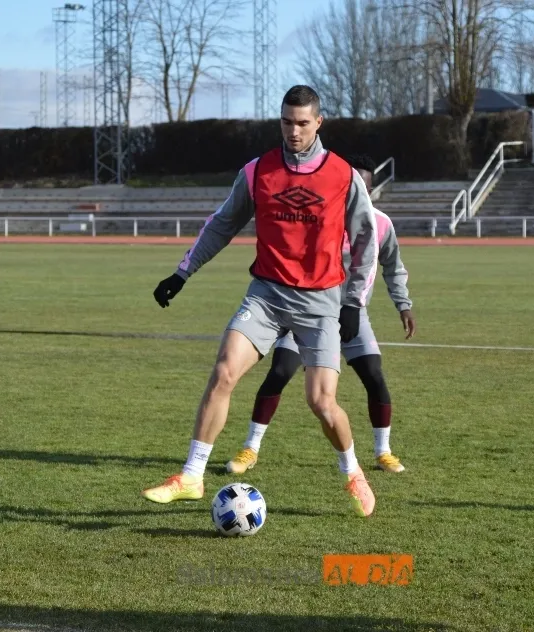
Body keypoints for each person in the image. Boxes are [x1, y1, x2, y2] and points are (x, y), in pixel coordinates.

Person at [143, 85, 379, 517]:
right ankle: (191, 475)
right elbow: (222, 224)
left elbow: (366, 240)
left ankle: (353, 471)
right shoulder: (257, 172)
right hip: (267, 295)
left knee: (321, 403)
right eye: (287, 122)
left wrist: (353, 302)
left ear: (318, 123)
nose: (294, 132)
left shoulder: (343, 175)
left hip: (321, 302)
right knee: (223, 371)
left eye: (303, 124)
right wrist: (182, 273)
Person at [226, 153, 415, 476]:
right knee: (281, 371)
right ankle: (250, 447)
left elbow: (392, 266)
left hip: (353, 314)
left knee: (373, 374)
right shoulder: (317, 215)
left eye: (366, 187)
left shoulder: (381, 224)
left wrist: (403, 304)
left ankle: (383, 451)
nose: (360, 193)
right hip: (308, 309)